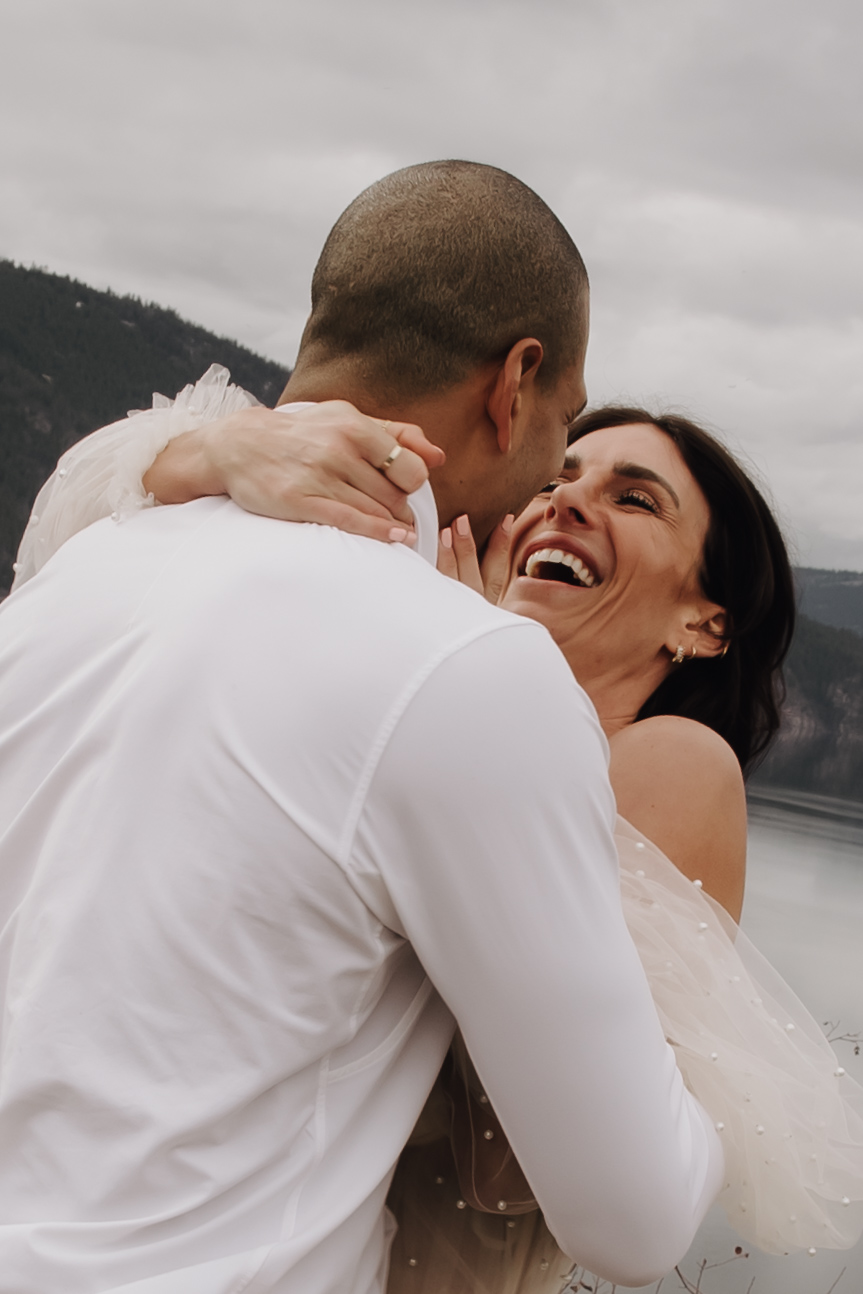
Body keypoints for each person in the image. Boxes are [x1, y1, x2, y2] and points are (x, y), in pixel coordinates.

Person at [0, 162, 727, 1294]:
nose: (551, 483)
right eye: (565, 427)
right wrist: (736, 1110)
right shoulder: (469, 669)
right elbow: (633, 1220)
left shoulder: (71, 578)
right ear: (515, 381)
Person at [15, 378, 863, 1292]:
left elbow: (506, 1164)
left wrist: (484, 680)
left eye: (632, 499)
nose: (569, 500)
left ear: (705, 622)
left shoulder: (675, 761)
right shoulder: (425, 708)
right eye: (560, 477)